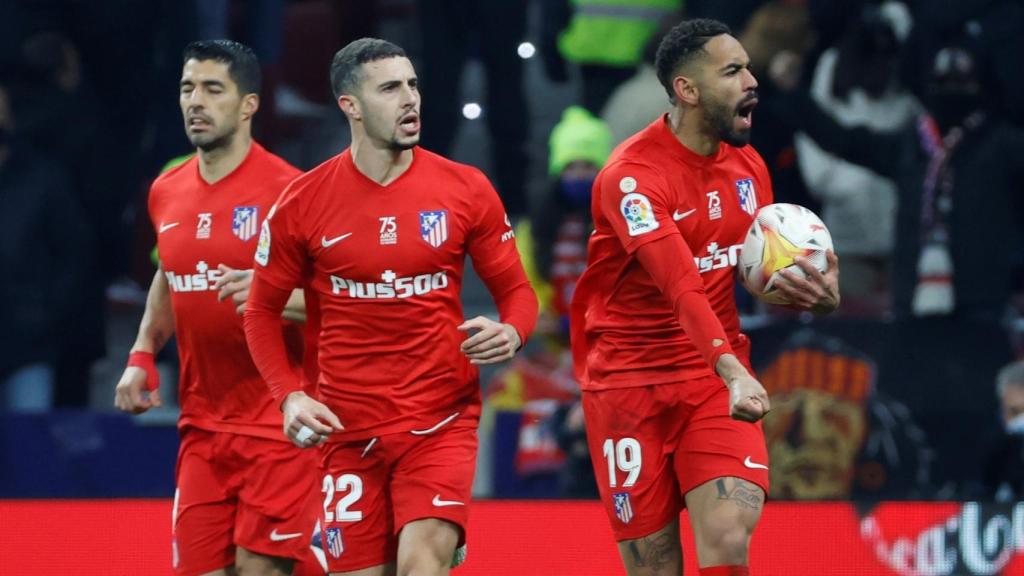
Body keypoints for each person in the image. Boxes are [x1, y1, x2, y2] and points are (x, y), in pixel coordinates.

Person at [243, 38, 538, 575]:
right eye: (390, 88)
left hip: (440, 421)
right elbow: (260, 312)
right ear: (349, 105)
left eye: (413, 84)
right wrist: (288, 398)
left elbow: (518, 293)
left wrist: (513, 332)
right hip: (346, 429)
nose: (411, 100)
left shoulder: (465, 188)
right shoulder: (303, 202)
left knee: (420, 564)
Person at [569, 19, 839, 575]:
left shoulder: (749, 166)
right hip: (626, 383)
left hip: (709, 383)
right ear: (688, 91)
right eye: (733, 71)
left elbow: (746, 272)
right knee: (655, 565)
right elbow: (679, 283)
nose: (752, 81)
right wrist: (734, 370)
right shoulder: (632, 178)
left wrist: (813, 294)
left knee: (726, 540)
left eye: (748, 67)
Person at [113, 40, 319, 576]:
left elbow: (342, 302)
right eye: (187, 88)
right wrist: (140, 353)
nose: (195, 102)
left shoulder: (292, 192)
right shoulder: (166, 190)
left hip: (279, 426)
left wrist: (271, 298)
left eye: (212, 89)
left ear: (248, 104)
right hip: (202, 427)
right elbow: (171, 272)